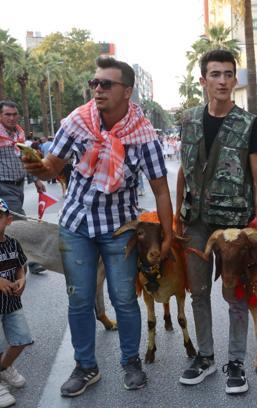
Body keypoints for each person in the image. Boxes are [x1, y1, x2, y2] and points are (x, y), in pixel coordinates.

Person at [22, 57, 173, 396]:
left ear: (127, 92)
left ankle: (130, 362)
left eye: (106, 84)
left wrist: (166, 236)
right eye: (95, 83)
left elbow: (161, 189)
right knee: (79, 299)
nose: (98, 89)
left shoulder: (144, 135)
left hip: (119, 229)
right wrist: (37, 167)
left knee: (123, 298)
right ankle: (86, 367)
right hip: (76, 224)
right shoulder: (77, 121)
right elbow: (52, 167)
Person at [174, 50, 257, 395]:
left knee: (235, 294)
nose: (224, 81)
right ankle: (206, 355)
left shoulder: (249, 124)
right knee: (198, 291)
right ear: (204, 81)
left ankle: (236, 362)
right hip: (195, 222)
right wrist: (176, 218)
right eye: (216, 74)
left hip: (233, 226)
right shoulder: (186, 120)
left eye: (229, 74)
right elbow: (184, 169)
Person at [0, 101, 46, 275]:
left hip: (19, 187)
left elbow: (25, 159)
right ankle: (33, 261)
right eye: (7, 114)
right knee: (21, 223)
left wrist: (36, 180)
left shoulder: (18, 134)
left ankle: (11, 261)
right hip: (3, 186)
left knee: (6, 226)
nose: (12, 118)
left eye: (14, 114)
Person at [0, 198, 33, 408]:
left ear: (9, 219)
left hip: (11, 303)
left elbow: (21, 266)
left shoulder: (13, 243)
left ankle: (3, 369)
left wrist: (22, 279)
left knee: (21, 339)